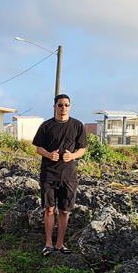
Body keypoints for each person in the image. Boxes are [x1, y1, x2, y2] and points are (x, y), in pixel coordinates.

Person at [32, 94, 87, 256]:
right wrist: (49, 155)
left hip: (68, 175)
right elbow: (37, 148)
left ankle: (60, 244)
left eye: (66, 105)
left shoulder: (77, 125)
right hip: (49, 174)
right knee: (49, 209)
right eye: (60, 105)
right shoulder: (46, 126)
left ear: (70, 106)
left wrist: (73, 156)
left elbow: (82, 149)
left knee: (64, 211)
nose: (63, 108)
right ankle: (48, 244)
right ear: (54, 106)